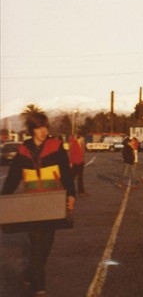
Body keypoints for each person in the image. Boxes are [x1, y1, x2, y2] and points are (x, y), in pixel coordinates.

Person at [1, 112, 76, 296]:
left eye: (45, 127)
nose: (43, 131)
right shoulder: (22, 151)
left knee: (45, 248)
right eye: (38, 128)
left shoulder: (56, 147)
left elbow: (66, 173)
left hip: (53, 202)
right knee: (36, 246)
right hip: (32, 205)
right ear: (32, 130)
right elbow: (13, 178)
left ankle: (28, 275)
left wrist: (71, 194)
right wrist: (3, 198)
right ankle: (39, 289)